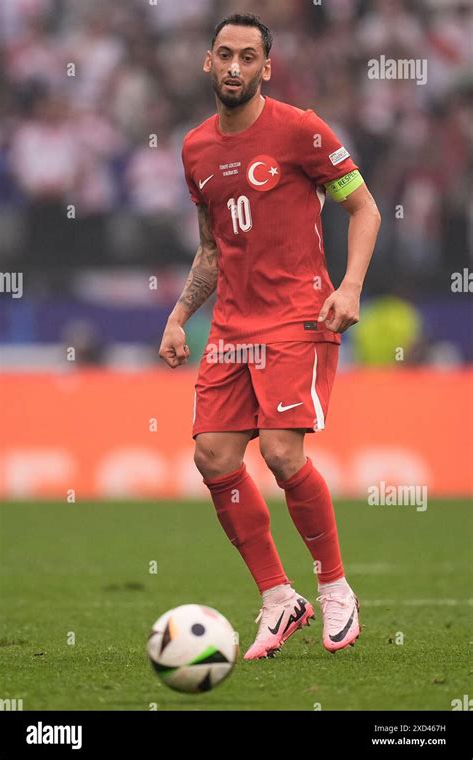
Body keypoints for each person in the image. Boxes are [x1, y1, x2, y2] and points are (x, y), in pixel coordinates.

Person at [159, 13, 381, 660]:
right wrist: (178, 316)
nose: (234, 67)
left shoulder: (301, 131)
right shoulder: (195, 148)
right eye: (224, 55)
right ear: (208, 62)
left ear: (266, 67)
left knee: (283, 455)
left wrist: (351, 286)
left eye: (247, 57)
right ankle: (278, 597)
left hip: (298, 315)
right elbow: (211, 248)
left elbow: (362, 206)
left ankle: (335, 586)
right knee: (214, 459)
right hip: (231, 323)